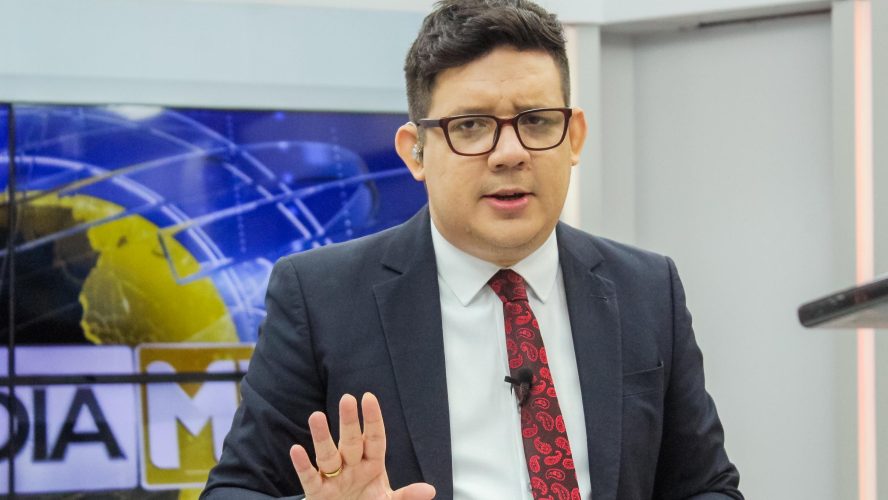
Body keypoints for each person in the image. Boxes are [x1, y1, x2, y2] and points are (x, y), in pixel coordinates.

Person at [202, 0, 743, 498]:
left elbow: (707, 486)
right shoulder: (321, 298)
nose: (509, 153)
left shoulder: (647, 289)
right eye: (471, 126)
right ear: (415, 152)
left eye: (536, 121)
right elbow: (234, 490)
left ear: (573, 136)